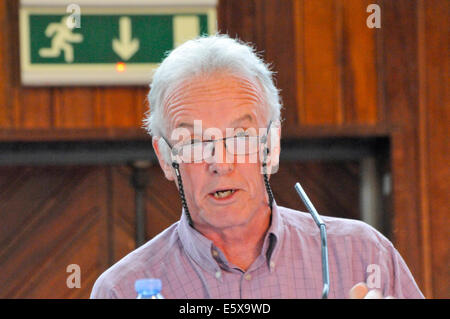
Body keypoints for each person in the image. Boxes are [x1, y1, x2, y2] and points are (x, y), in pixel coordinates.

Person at [90, 34, 424, 299]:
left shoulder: (362, 255)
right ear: (165, 157)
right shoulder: (122, 290)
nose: (220, 163)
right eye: (193, 143)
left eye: (240, 137)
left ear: (272, 146)